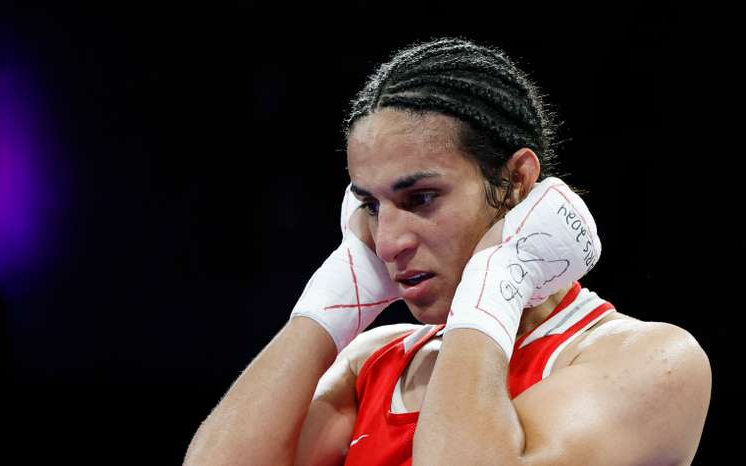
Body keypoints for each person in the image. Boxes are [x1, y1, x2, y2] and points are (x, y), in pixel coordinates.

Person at [184, 37, 711, 465]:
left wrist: (498, 276)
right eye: (371, 206)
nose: (387, 243)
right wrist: (329, 306)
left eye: (421, 198)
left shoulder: (653, 361)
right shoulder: (373, 362)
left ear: (516, 182)